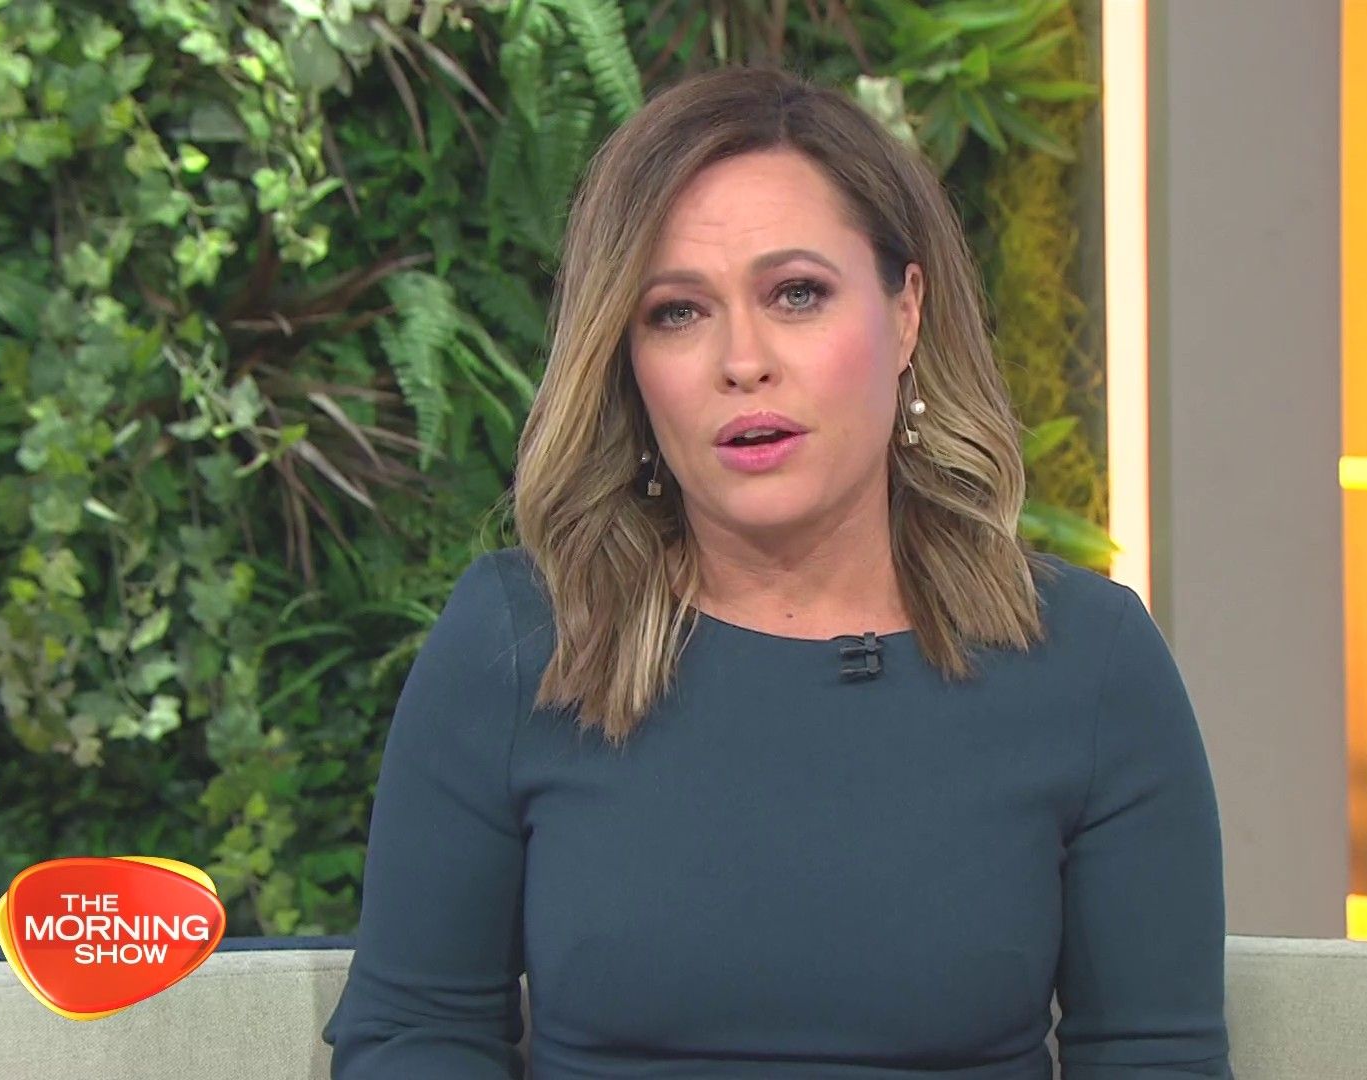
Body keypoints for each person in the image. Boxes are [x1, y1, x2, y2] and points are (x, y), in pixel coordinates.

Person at [322, 64, 1233, 1079]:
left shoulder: (1090, 662)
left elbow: (1156, 1059)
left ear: (907, 313)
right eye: (677, 312)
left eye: (797, 294)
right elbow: (413, 1036)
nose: (742, 360)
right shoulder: (521, 639)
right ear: (627, 360)